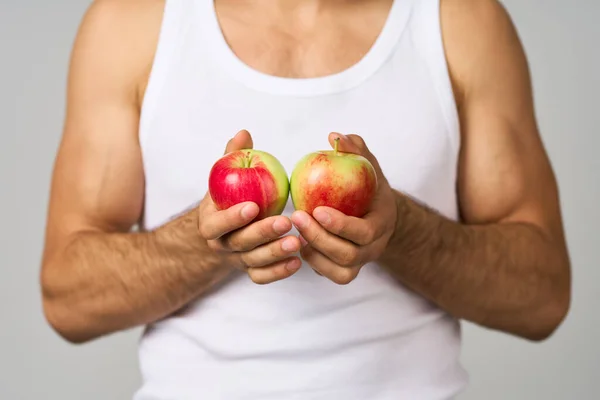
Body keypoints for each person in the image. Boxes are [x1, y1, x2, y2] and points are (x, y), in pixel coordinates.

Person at [40, 0, 571, 398]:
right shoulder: (132, 22)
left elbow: (542, 298)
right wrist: (208, 242)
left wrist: (399, 229)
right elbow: (67, 299)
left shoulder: (459, 20)